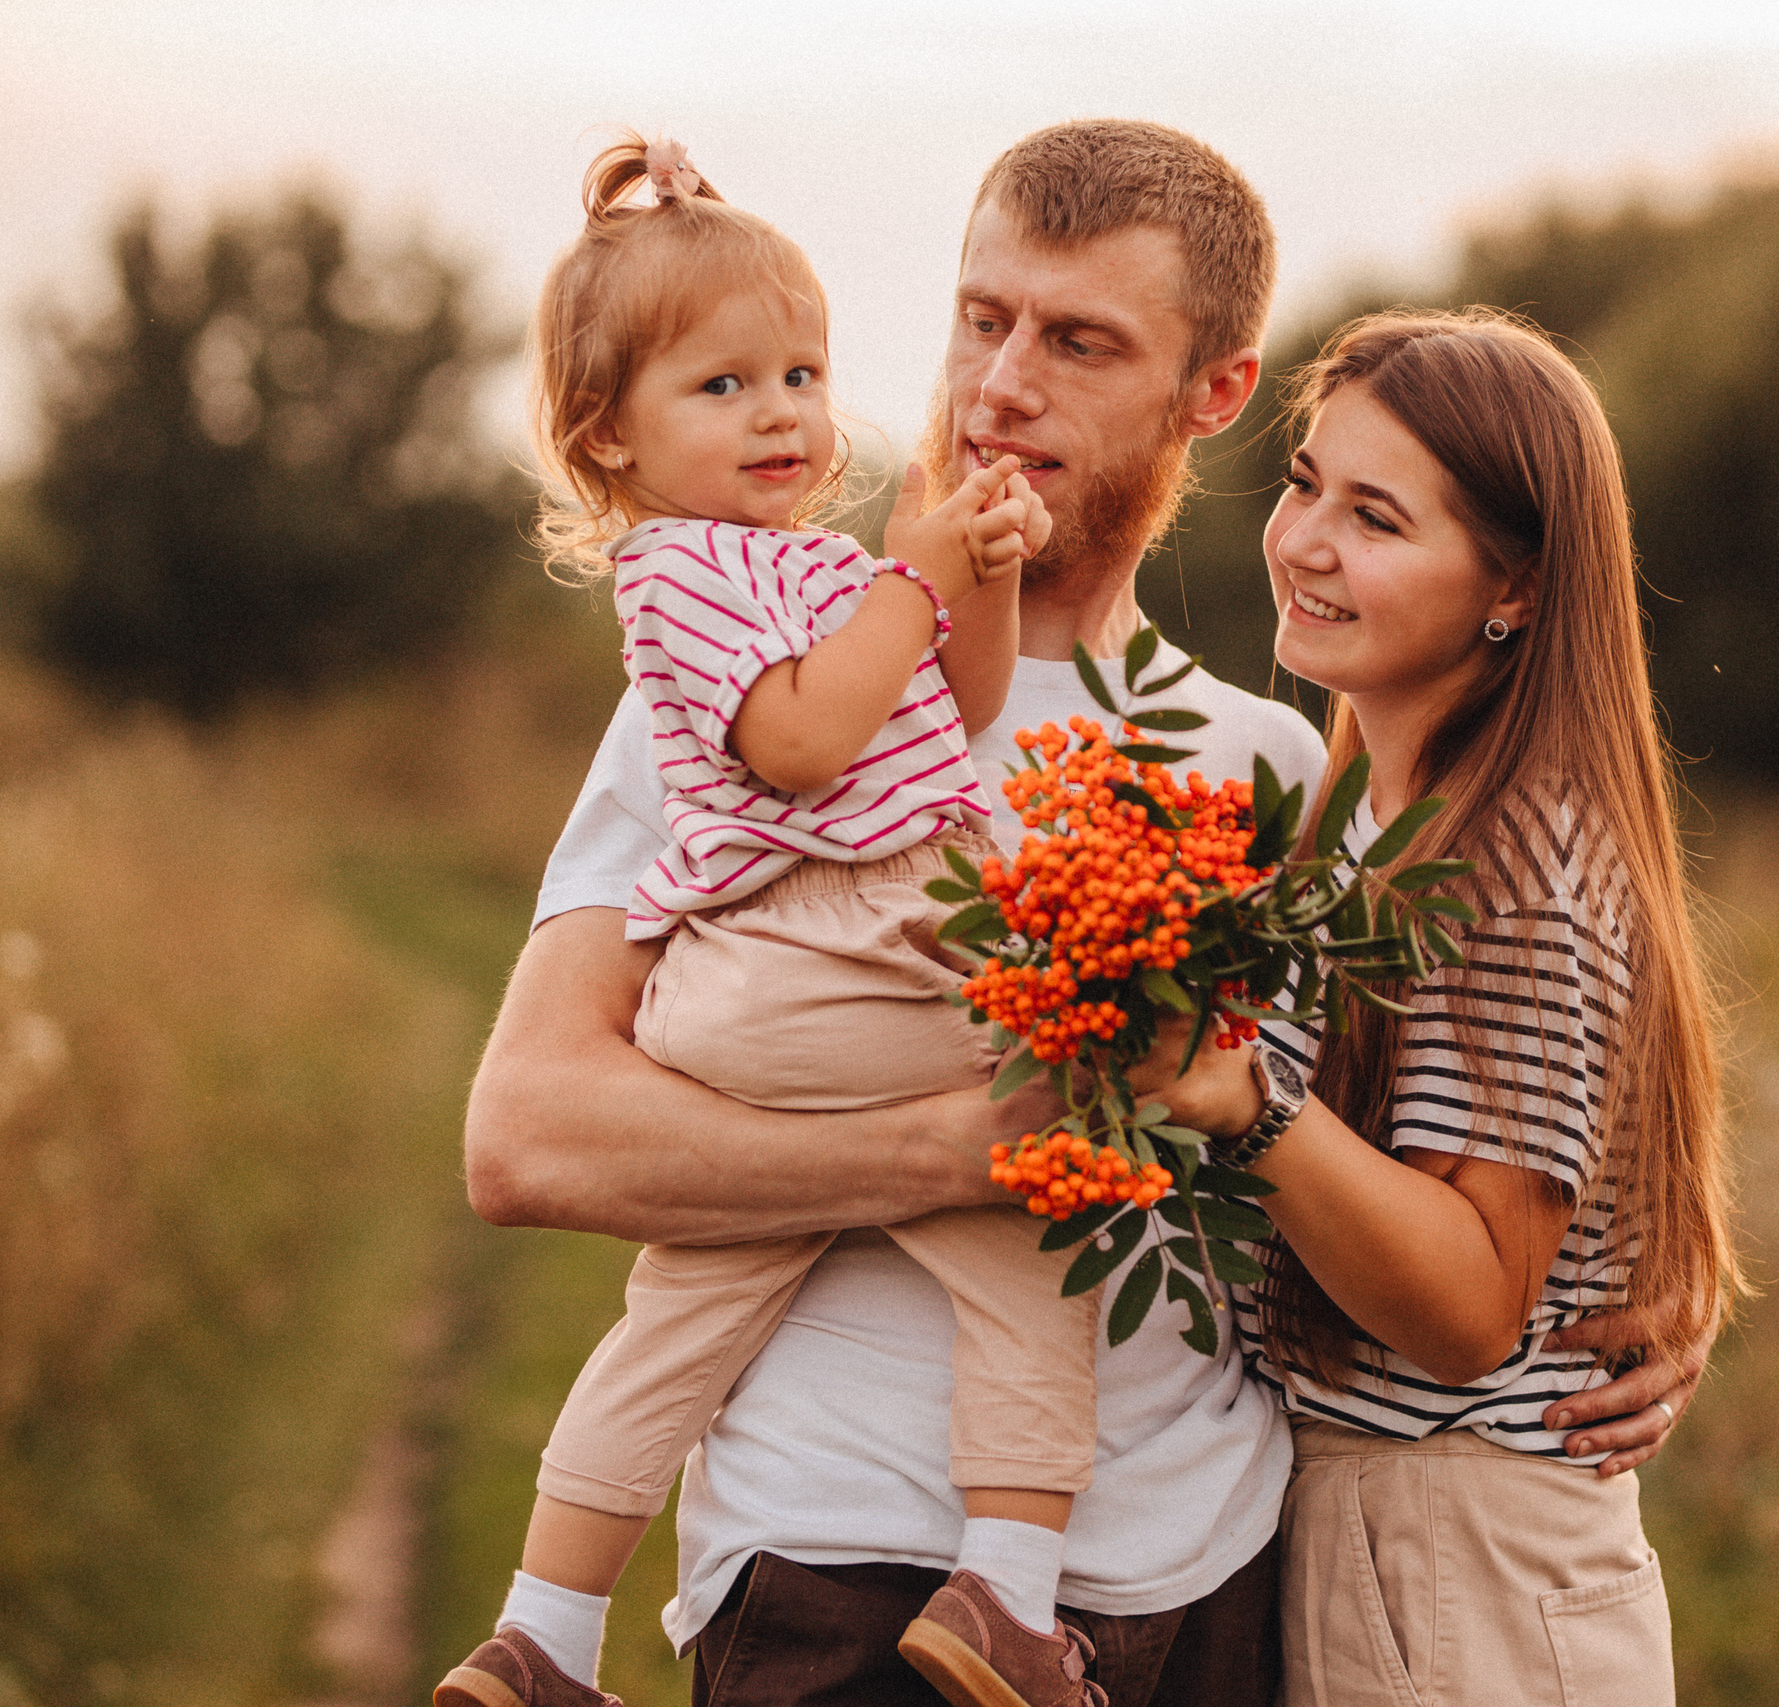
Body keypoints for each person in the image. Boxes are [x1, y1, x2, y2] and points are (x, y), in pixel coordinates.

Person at [464, 122, 1708, 1707]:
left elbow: (1406, 1146)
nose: (1001, 385)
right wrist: (971, 1149)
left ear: (1216, 391)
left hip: (1217, 1574)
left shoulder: (1276, 764)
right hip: (852, 1570)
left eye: (1079, 341)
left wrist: (1615, 1307)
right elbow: (529, 1138)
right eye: (982, 318)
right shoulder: (769, 694)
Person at [437, 134, 1125, 1707]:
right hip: (848, 948)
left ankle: (542, 1638)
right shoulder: (678, 574)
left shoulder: (801, 566)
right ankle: (1007, 1597)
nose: (783, 414)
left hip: (782, 990)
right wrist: (909, 578)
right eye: (725, 385)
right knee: (1049, 1220)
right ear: (608, 436)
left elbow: (952, 706)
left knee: (683, 1317)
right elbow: (805, 741)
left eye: (803, 375)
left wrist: (975, 573)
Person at [1133, 310, 1742, 1706]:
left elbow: (1471, 1307)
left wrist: (1250, 1104)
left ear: (1513, 586)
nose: (1305, 541)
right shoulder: (1362, 821)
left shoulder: (1513, 862)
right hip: (1390, 1536)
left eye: (1377, 518)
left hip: (1455, 1558)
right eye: (1305, 483)